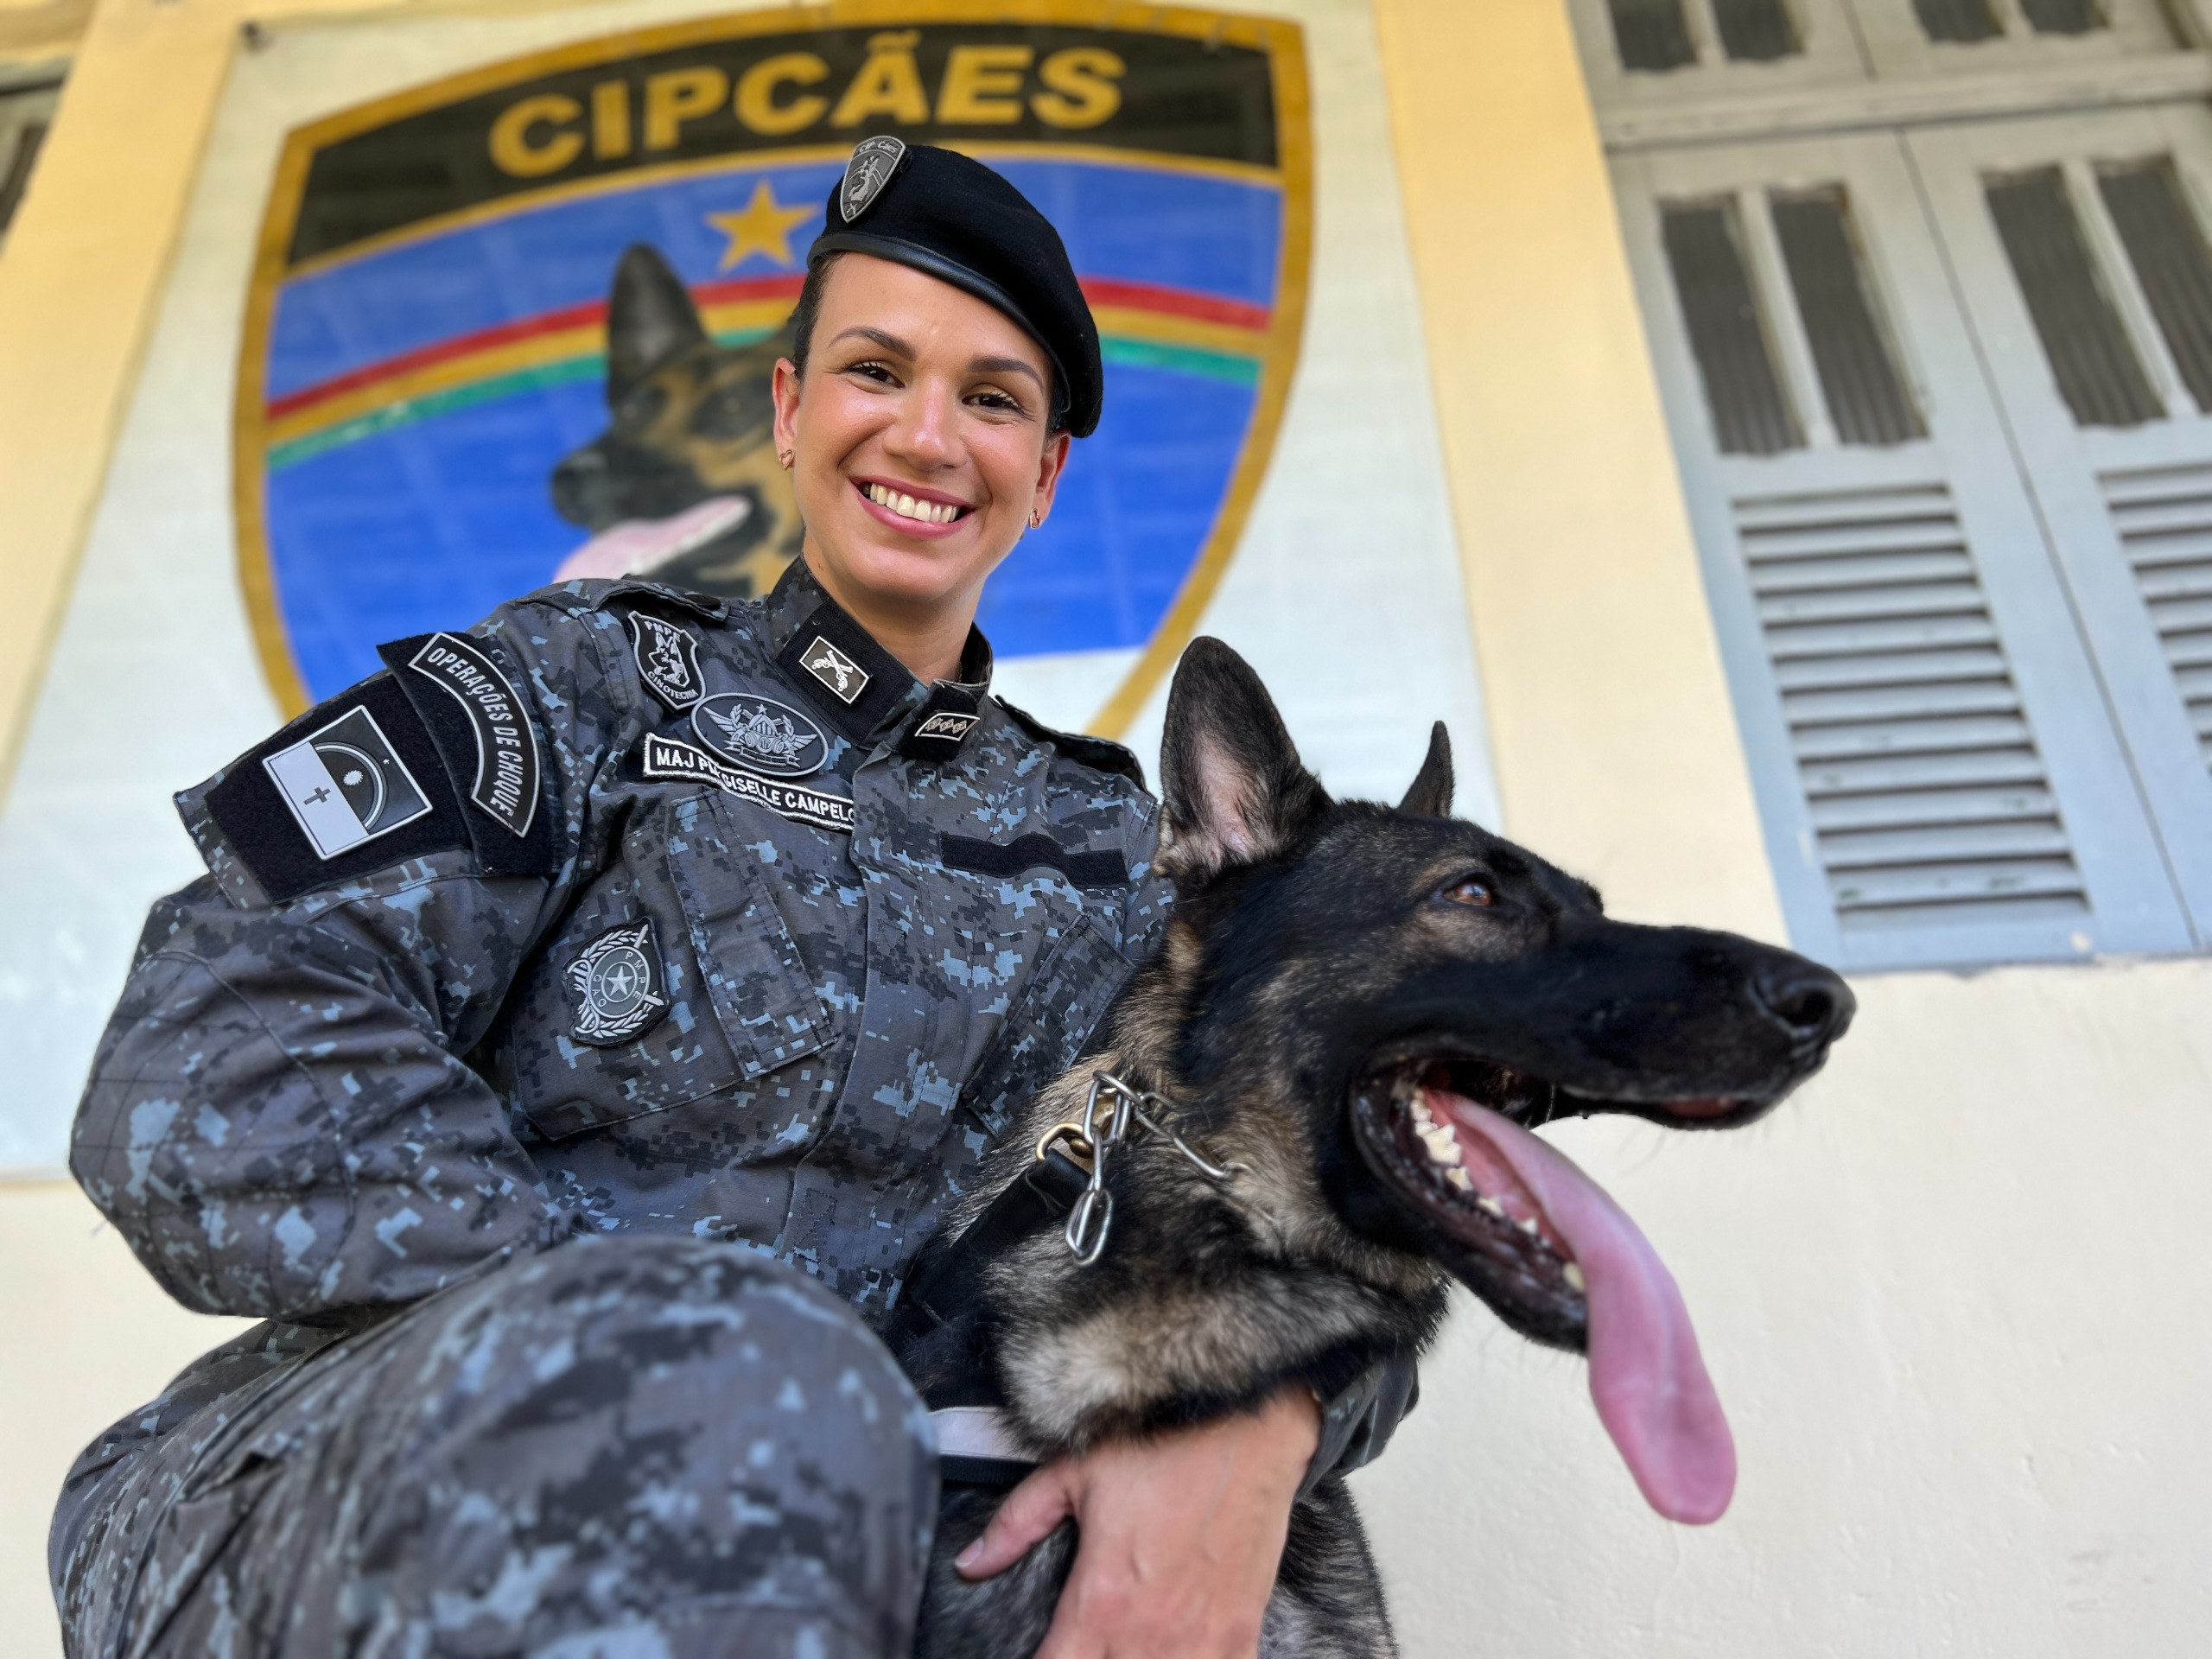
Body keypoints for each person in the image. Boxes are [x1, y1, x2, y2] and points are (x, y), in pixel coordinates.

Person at [50, 142, 1393, 1658]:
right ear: (787, 407)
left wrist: (1268, 1415)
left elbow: (1330, 1187)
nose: (929, 434)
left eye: (995, 399)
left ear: (1045, 476)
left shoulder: (1111, 859)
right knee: (759, 1391)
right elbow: (202, 1072)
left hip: (845, 1524)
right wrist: (637, 1329)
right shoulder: (571, 691)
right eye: (875, 369)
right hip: (350, 1477)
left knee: (1296, 1590)